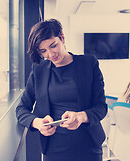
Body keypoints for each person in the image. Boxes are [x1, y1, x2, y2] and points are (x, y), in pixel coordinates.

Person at [15, 19, 107, 161]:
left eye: (53, 46)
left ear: (62, 38)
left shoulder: (89, 64)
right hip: (53, 150)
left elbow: (101, 107)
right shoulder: (38, 71)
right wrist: (37, 123)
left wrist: (81, 117)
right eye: (43, 51)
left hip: (89, 147)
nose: (51, 54)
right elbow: (21, 109)